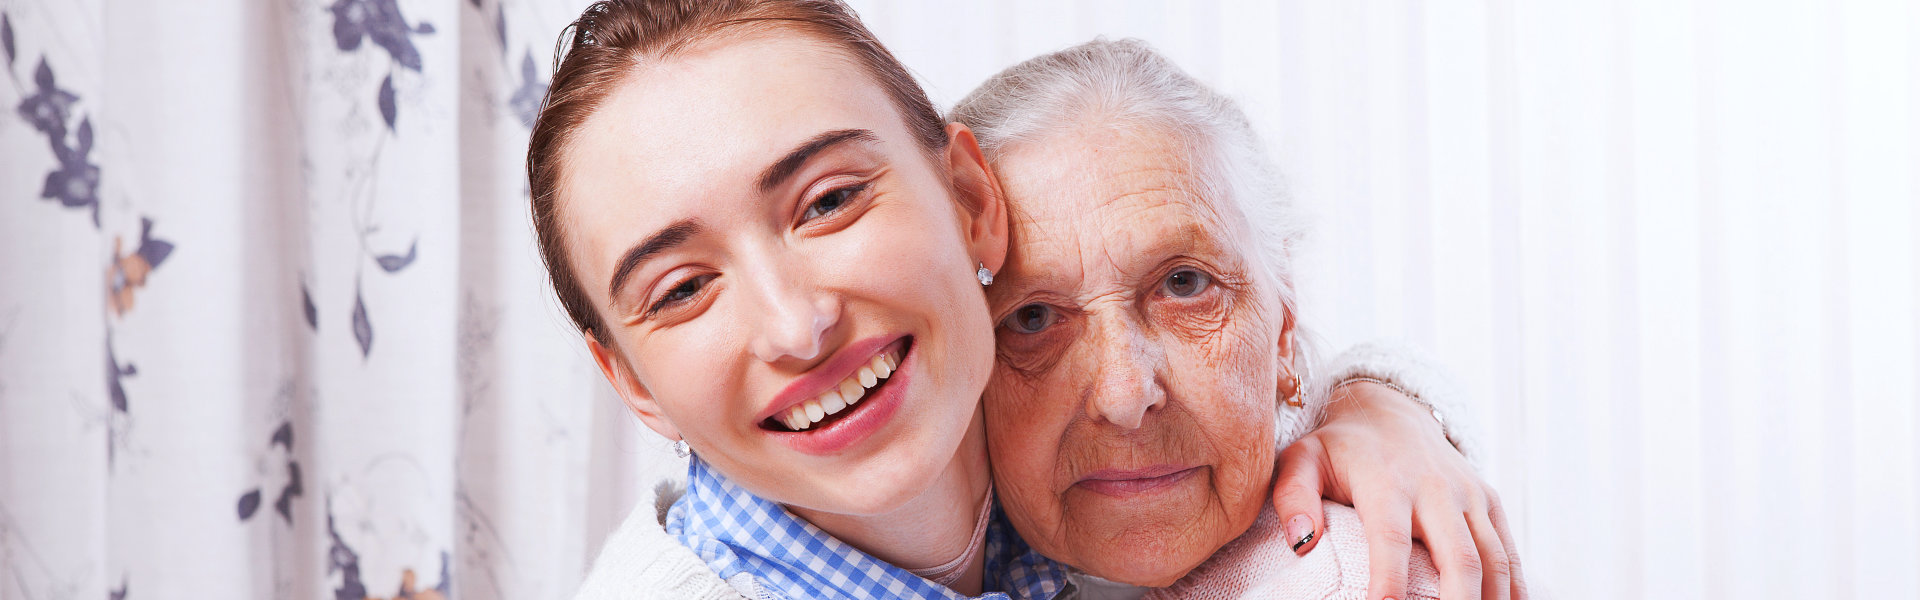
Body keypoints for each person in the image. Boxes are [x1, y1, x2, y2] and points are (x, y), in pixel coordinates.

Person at [524, 1, 1515, 598]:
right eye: (682, 288)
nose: (797, 324)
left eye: (827, 201)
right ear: (630, 383)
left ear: (968, 204)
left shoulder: (1039, 502)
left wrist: (1378, 405)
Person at [952, 38, 1522, 599]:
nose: (1125, 396)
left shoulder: (1359, 578)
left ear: (1283, 320)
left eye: (1184, 283)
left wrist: (1379, 395)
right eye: (1031, 318)